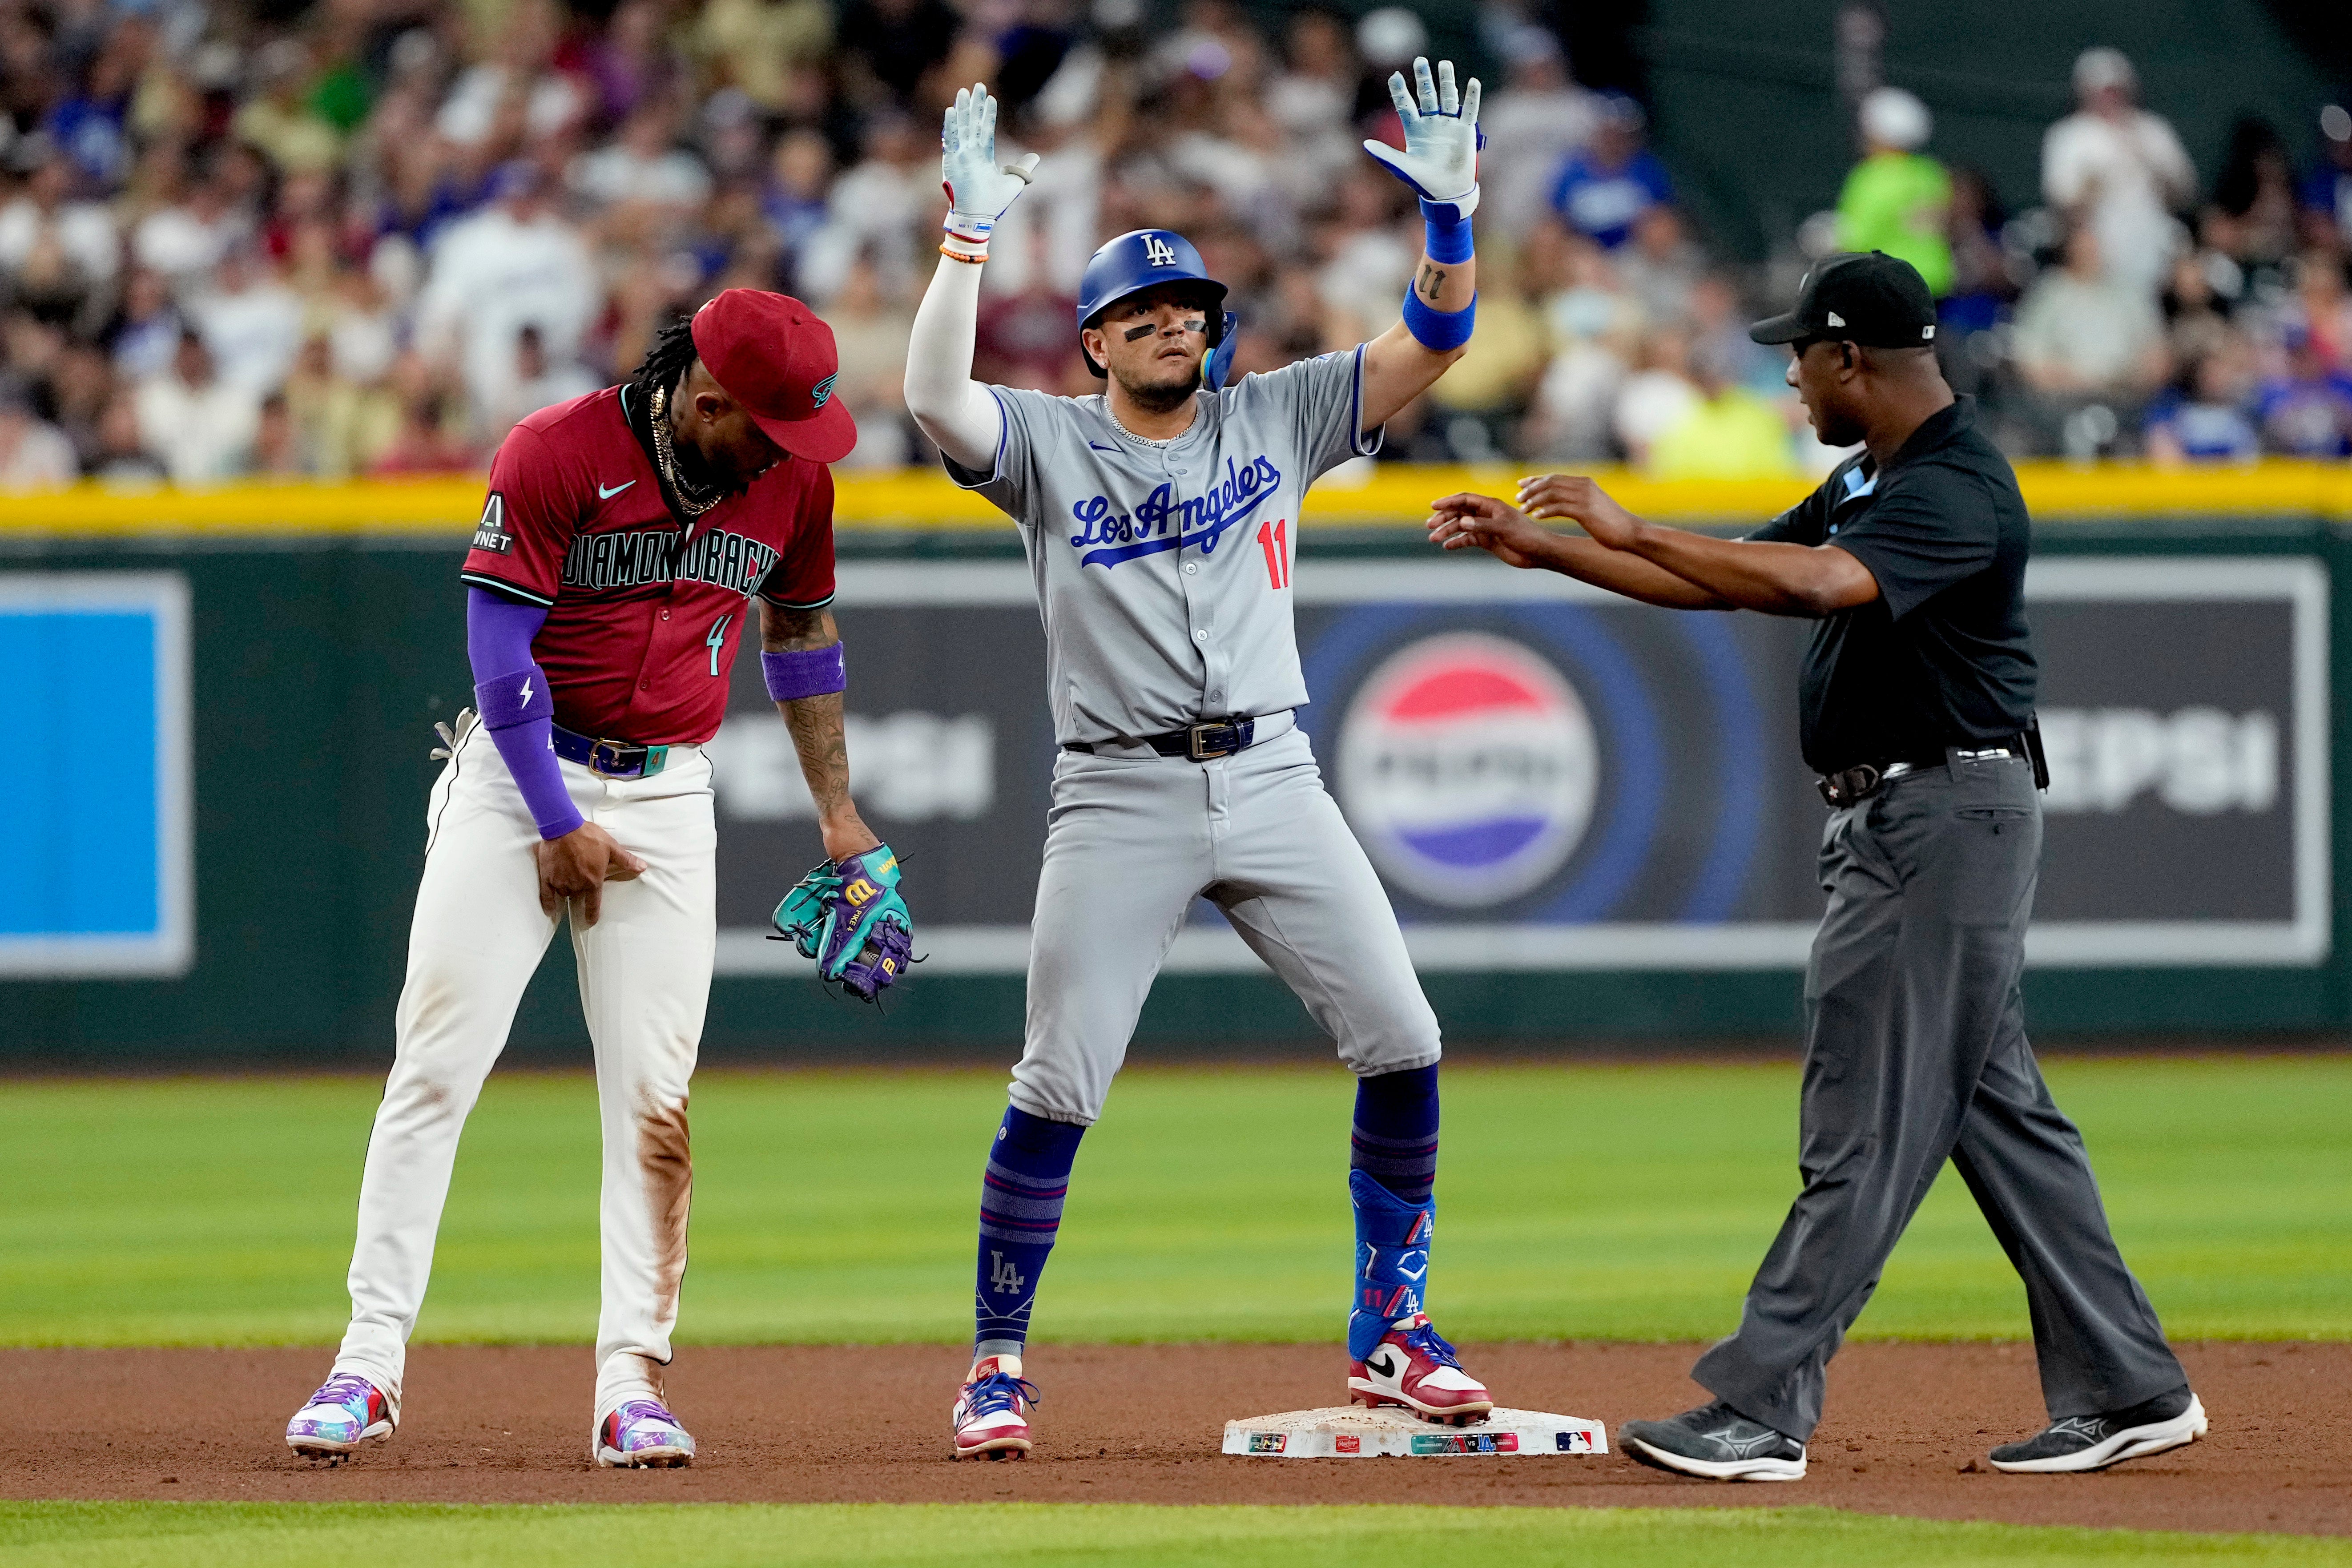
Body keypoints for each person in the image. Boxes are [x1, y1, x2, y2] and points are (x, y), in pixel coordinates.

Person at [1426, 250, 2205, 1483]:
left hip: (1938, 815)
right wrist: (1554, 549)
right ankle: (2128, 1379)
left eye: (1800, 351)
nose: (1787, 372)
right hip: (1921, 817)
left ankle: (1761, 1408)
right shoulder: (1870, 474)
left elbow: (1818, 581)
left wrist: (1629, 520)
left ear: (1854, 358)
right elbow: (1729, 574)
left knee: (1862, 1117)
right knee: (1998, 1115)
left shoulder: (1956, 485)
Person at [905, 65, 1494, 1461]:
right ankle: (994, 1362)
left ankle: (1391, 1331)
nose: (1175, 330)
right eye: (1142, 317)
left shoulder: (1275, 415)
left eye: (1191, 314)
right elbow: (934, 395)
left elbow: (1433, 341)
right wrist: (965, 242)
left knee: (1403, 1040)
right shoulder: (1047, 443)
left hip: (1275, 773)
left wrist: (1453, 216)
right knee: (1057, 1081)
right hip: (1118, 789)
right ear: (1095, 345)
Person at [282, 290, 909, 1469]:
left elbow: (802, 634)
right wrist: (558, 819)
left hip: (672, 792)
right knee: (435, 1065)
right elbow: (498, 647)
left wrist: (837, 811)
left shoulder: (795, 480)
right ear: (708, 398)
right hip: (521, 778)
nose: (791, 451)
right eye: (772, 427)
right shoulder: (559, 449)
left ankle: (633, 1384)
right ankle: (366, 1363)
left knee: (655, 1102)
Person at [2041, 48, 2195, 300]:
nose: (2109, 98)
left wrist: (2150, 165)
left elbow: (2185, 193)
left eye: (2116, 90)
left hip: (2156, 250)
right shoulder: (2069, 135)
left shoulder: (2153, 130)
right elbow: (2064, 204)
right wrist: (2096, 182)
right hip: (2101, 255)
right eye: (2102, 90)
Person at [1835, 87, 1952, 296]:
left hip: (1887, 283)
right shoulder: (1931, 172)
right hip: (1934, 282)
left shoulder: (1872, 176)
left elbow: (1856, 239)